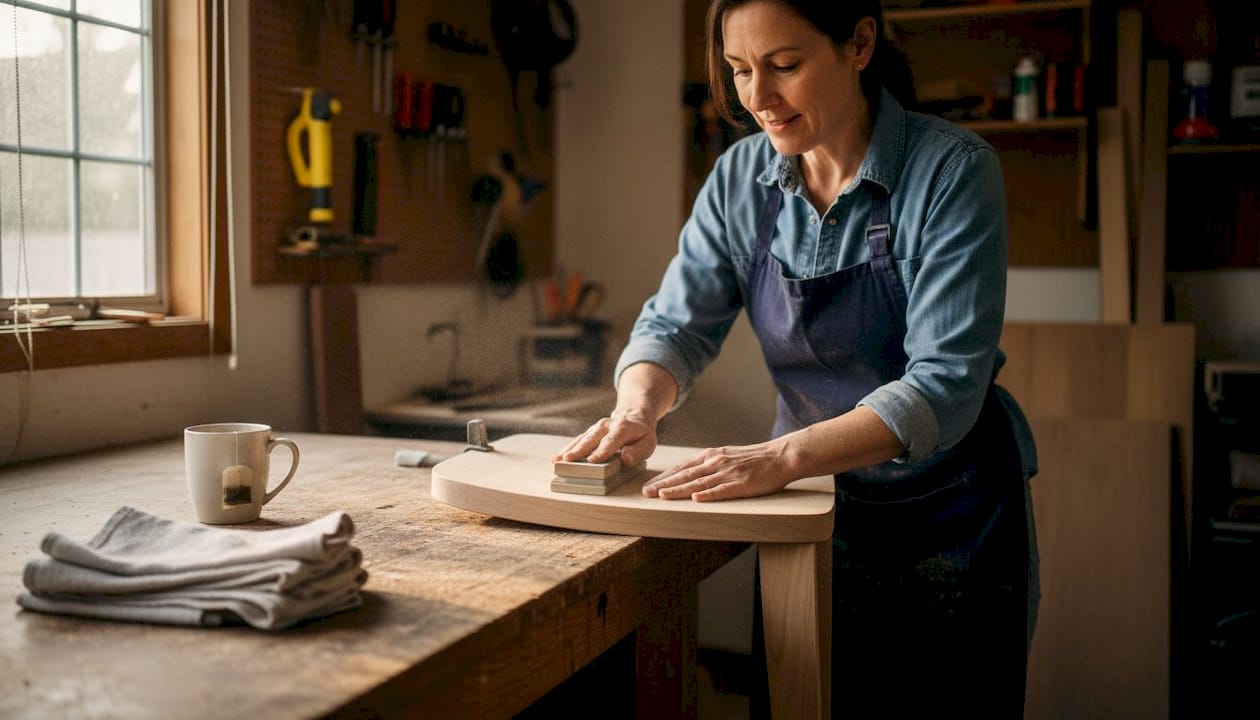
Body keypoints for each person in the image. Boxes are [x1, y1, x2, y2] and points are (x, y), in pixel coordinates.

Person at [554, 0, 1040, 715]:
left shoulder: (952, 171)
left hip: (953, 517)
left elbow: (945, 384)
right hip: (812, 515)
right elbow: (675, 326)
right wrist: (637, 409)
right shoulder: (738, 179)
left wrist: (777, 458)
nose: (757, 98)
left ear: (860, 43)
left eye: (784, 66)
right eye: (739, 70)